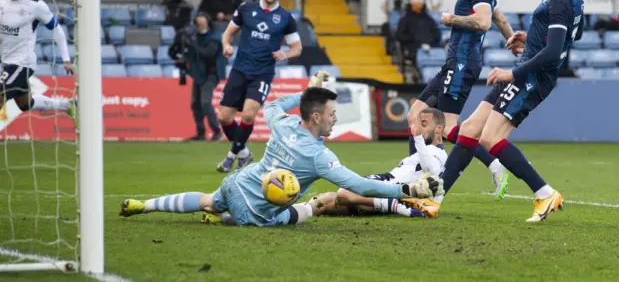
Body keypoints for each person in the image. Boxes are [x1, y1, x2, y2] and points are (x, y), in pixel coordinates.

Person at [119, 72, 439, 227]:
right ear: (316, 117)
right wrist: (407, 188)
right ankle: (226, 218)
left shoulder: (283, 123)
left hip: (237, 183)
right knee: (315, 206)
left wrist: (307, 89)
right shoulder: (319, 157)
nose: (335, 118)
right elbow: (358, 185)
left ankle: (144, 205)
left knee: (207, 200)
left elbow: (271, 104)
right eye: (331, 114)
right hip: (257, 214)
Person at [437, 0, 585, 222]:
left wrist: (513, 73)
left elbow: (555, 52)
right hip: (527, 69)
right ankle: (435, 197)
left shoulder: (562, 0)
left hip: (531, 78)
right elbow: (572, 36)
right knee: (469, 128)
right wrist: (530, 41)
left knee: (491, 138)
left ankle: (544, 193)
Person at [407, 0, 515, 200]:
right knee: (415, 114)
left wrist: (450, 19)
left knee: (450, 128)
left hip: (462, 63)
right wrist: (512, 41)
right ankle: (414, 173)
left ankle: (495, 164)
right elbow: (499, 19)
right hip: (454, 62)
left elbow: (484, 21)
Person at [216, 0, 303, 172]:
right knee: (224, 118)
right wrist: (226, 45)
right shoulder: (246, 9)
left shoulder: (285, 18)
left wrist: (286, 53)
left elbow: (297, 48)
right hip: (239, 70)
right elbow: (228, 33)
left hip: (262, 73)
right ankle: (244, 154)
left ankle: (231, 156)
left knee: (248, 115)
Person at [312, 107, 447, 219]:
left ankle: (399, 207)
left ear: (439, 129)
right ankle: (296, 209)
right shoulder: (424, 151)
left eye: (424, 124)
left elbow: (432, 171)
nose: (419, 128)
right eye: (418, 124)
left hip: (393, 189)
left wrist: (417, 137)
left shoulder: (437, 152)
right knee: (323, 203)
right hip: (385, 188)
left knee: (344, 193)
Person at [0, 0, 76, 120]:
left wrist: (66, 60)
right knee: (25, 103)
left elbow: (57, 30)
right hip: (6, 62)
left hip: (23, 63)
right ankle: (68, 105)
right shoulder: (1, 3)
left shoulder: (36, 6)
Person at [175, 12, 224, 142]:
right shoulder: (194, 36)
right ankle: (201, 133)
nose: (200, 20)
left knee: (205, 101)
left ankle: (217, 131)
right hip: (198, 73)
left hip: (211, 74)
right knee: (195, 104)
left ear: (207, 21)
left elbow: (208, 53)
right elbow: (191, 53)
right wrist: (183, 60)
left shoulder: (214, 36)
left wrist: (193, 45)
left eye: (203, 18)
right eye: (198, 19)